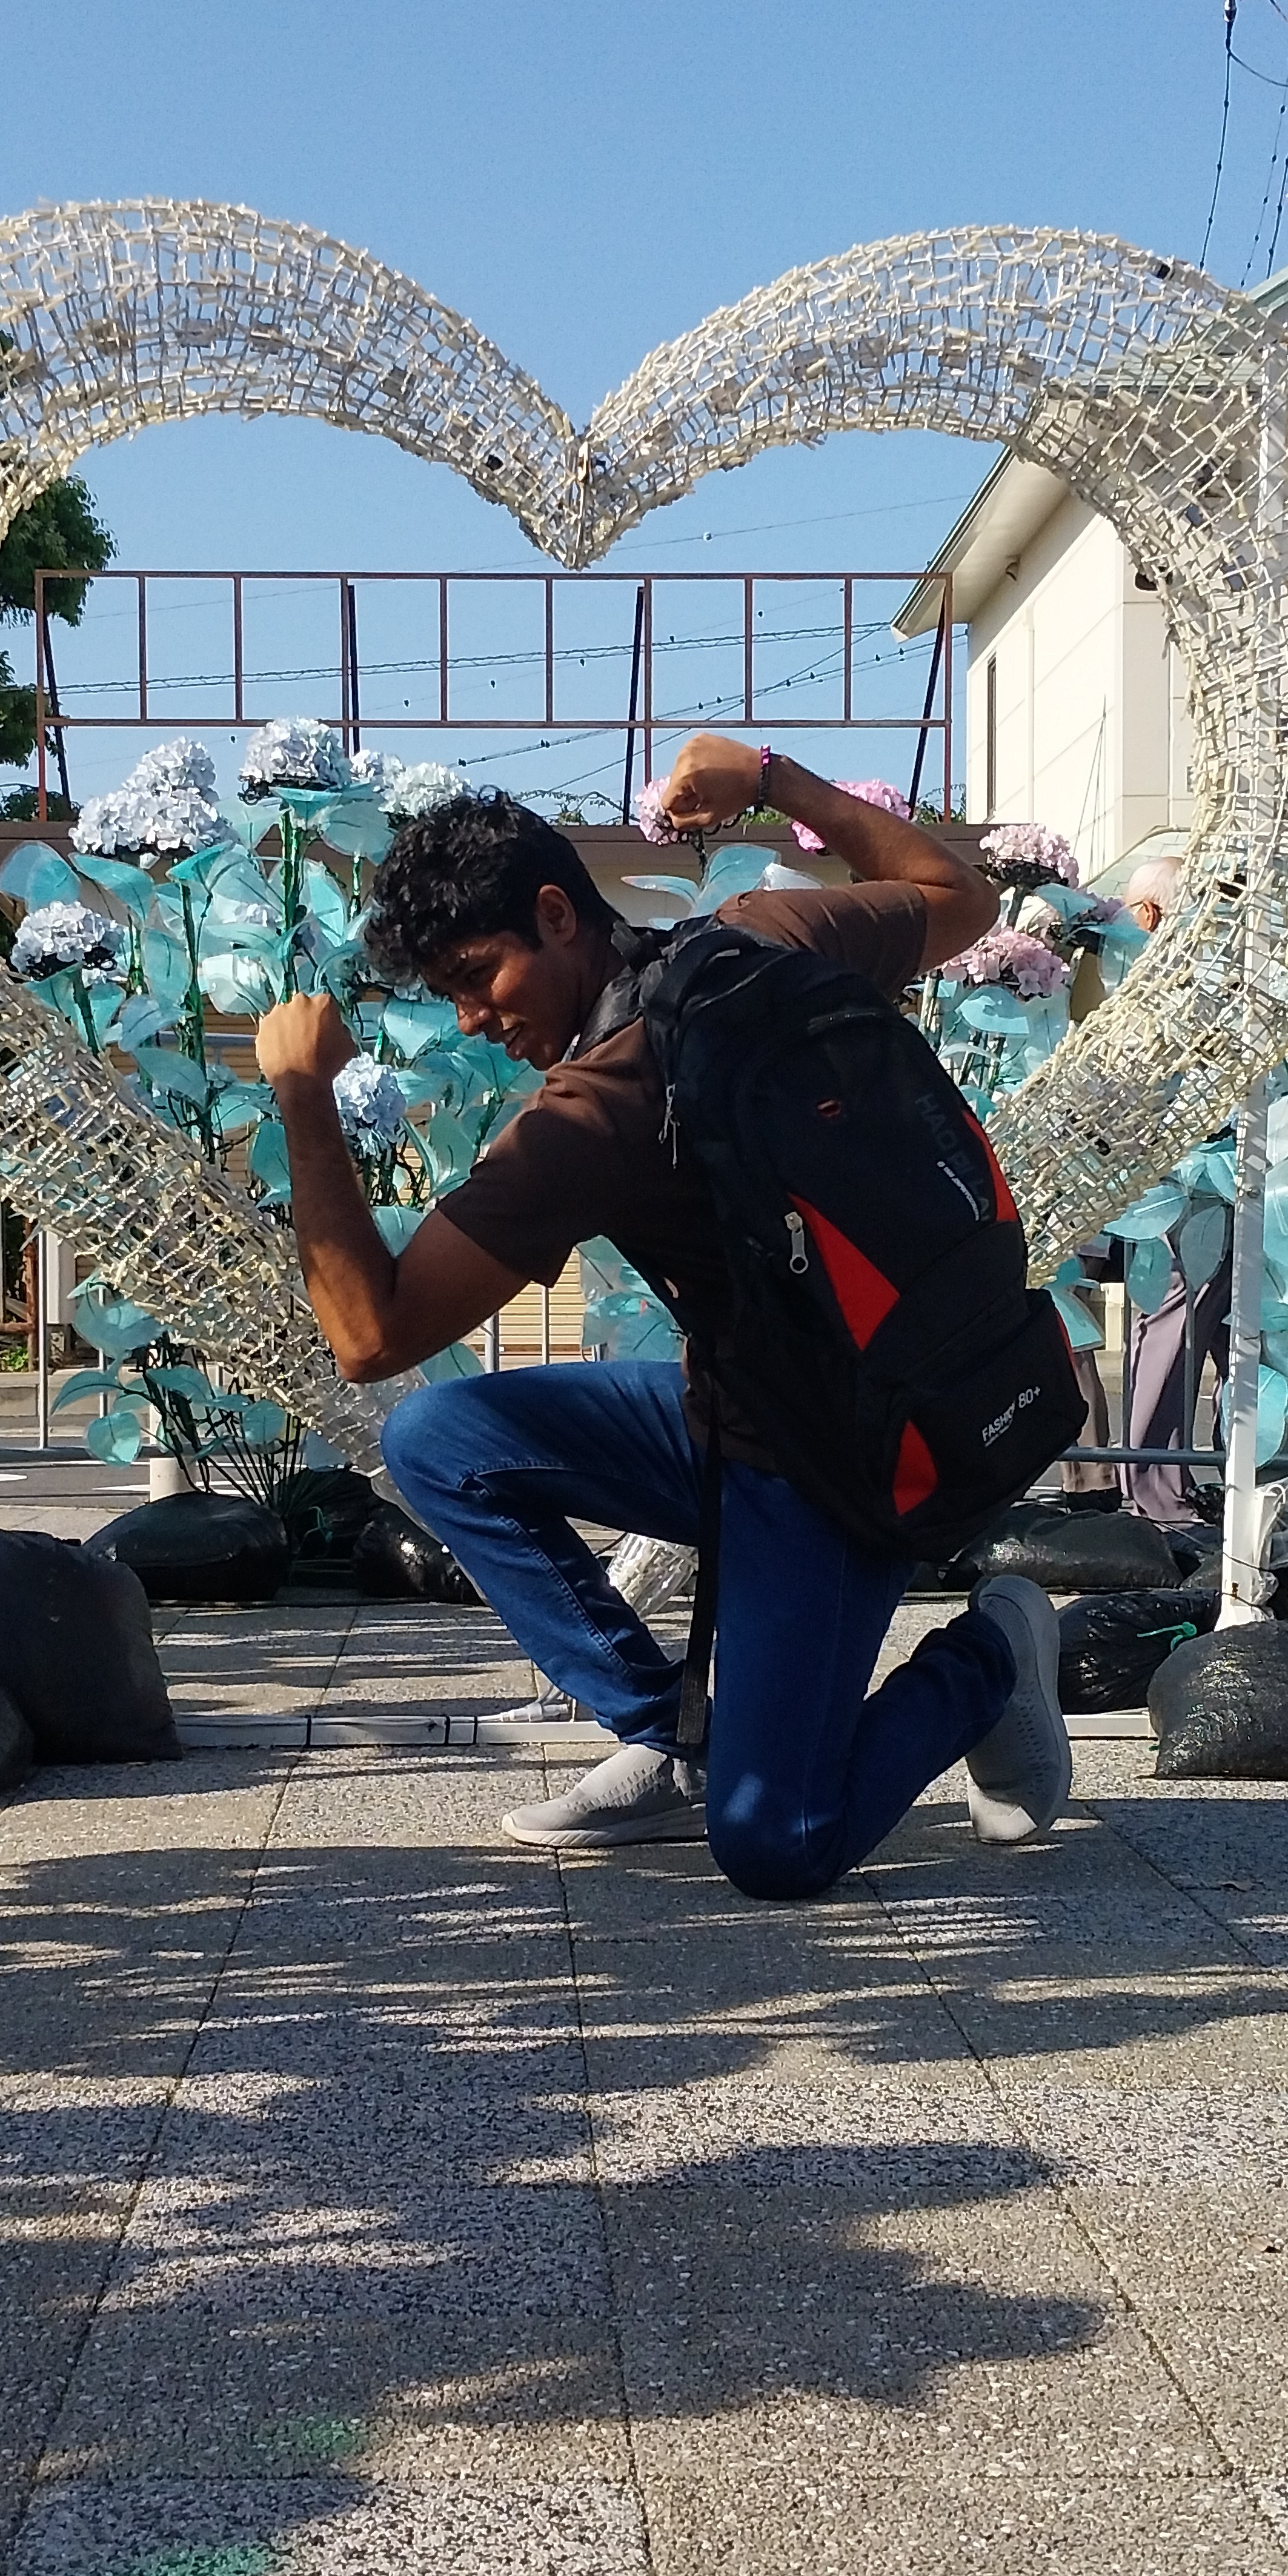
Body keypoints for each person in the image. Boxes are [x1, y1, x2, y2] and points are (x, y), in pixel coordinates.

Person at [248, 736, 1072, 1889]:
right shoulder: (759, 936)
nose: (474, 1019)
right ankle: (672, 1739)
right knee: (441, 1439)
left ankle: (992, 1654)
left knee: (780, 1848)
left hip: (834, 1465)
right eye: (449, 997)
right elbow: (962, 896)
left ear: (557, 913)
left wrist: (300, 1092)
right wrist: (776, 783)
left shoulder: (591, 1119)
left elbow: (368, 1335)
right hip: (788, 1402)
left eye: (478, 976)